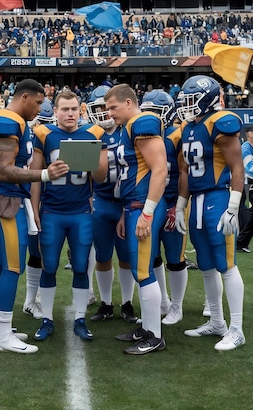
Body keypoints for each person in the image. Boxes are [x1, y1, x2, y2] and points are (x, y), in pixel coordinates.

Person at [0, 79, 69, 354]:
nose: (40, 108)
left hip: (8, 199)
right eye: (39, 102)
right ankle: (4, 336)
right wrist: (43, 174)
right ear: (25, 97)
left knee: (1, 265)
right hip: (5, 200)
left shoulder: (17, 123)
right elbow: (2, 170)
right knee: (11, 267)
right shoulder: (7, 120)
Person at [30, 90, 108, 342]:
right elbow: (35, 176)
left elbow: (100, 178)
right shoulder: (45, 134)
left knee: (81, 267)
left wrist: (93, 161)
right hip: (52, 211)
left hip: (81, 213)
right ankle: (47, 319)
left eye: (74, 109)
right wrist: (34, 209)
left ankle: (80, 319)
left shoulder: (94, 133)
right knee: (49, 265)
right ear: (56, 112)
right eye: (65, 109)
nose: (70, 113)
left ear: (80, 110)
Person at [175, 75, 245, 351]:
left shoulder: (221, 122)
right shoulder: (188, 127)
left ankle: (236, 328)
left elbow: (237, 166)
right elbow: (185, 170)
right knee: (205, 263)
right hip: (198, 200)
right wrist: (181, 205)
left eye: (192, 100)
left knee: (225, 263)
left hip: (218, 197)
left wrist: (234, 206)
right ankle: (216, 321)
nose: (187, 105)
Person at [104, 83, 168, 355]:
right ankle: (148, 327)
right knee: (140, 270)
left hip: (144, 205)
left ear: (129, 103)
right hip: (133, 205)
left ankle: (154, 336)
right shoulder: (127, 129)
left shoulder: (141, 122)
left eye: (113, 107)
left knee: (143, 271)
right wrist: (125, 212)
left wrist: (147, 211)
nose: (110, 113)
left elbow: (160, 170)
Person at [85, 86, 137, 324]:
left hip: (126, 202)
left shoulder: (130, 129)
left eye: (108, 108)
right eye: (99, 109)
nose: (105, 113)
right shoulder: (90, 133)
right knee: (103, 255)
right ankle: (106, 303)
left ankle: (127, 303)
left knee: (127, 255)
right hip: (102, 200)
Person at [140, 90, 188, 325]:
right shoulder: (140, 135)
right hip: (150, 203)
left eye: (155, 112)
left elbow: (184, 173)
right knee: (154, 256)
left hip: (170, 202)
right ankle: (163, 302)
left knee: (175, 257)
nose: (150, 118)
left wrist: (178, 205)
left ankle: (177, 307)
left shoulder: (176, 136)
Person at [23, 97, 57, 319]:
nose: (42, 128)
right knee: (36, 252)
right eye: (39, 123)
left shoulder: (47, 138)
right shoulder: (24, 137)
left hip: (49, 200)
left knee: (43, 252)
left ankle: (34, 298)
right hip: (30, 199)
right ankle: (30, 299)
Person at [236, 125, 253, 253]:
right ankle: (241, 241)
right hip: (242, 183)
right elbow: (249, 168)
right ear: (248, 134)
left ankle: (241, 242)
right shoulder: (246, 148)